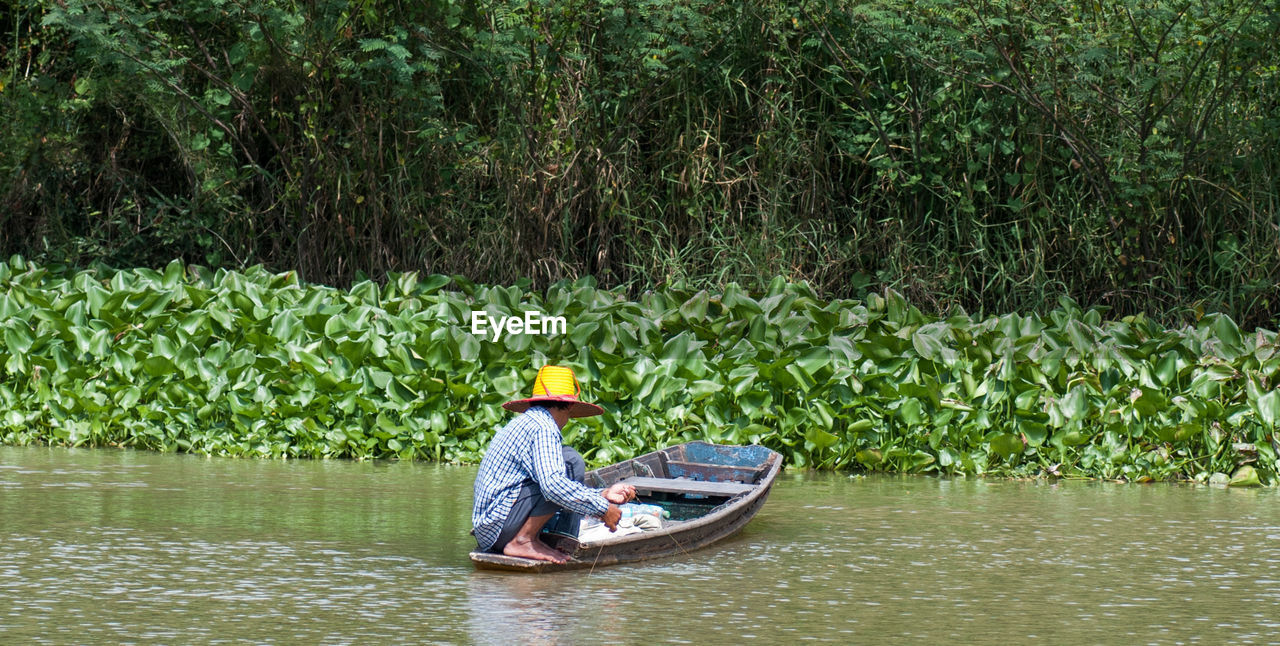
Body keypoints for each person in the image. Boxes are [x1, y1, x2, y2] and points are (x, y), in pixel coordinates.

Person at [471, 365, 636, 563]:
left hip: (490, 529)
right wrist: (603, 509)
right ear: (568, 407)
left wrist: (603, 494)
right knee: (570, 463)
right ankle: (526, 540)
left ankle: (547, 538)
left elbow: (549, 483)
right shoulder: (544, 427)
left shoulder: (528, 421)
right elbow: (553, 486)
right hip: (500, 527)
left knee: (567, 459)